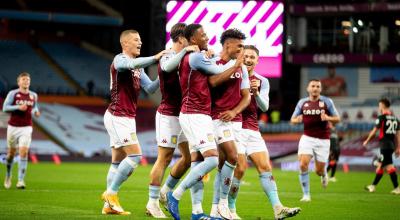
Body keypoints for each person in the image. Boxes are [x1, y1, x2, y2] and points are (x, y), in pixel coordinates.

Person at [166, 23, 243, 220]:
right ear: (193, 39)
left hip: (199, 114)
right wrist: (236, 64)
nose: (207, 37)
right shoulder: (196, 56)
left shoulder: (196, 54)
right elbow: (217, 75)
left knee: (199, 160)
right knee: (211, 158)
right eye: (203, 35)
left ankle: (197, 212)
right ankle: (174, 194)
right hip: (194, 113)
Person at [225, 45, 301, 220]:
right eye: (246, 56)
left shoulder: (262, 81)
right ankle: (230, 209)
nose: (249, 60)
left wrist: (256, 93)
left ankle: (278, 208)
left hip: (253, 130)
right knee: (241, 169)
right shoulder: (231, 76)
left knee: (266, 167)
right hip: (235, 129)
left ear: (258, 61)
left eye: (252, 57)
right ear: (240, 58)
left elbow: (265, 107)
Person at [188, 28, 251, 220]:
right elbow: (213, 82)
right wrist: (235, 65)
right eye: (239, 46)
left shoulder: (242, 68)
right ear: (228, 45)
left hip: (234, 120)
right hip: (215, 117)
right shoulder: (213, 61)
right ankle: (222, 204)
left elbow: (246, 96)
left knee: (224, 162)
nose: (242, 50)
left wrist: (234, 111)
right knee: (232, 157)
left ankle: (217, 208)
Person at [101, 29, 166, 215]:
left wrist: (164, 72)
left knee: (116, 161)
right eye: (136, 40)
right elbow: (125, 66)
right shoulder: (119, 59)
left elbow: (151, 88)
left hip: (127, 117)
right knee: (136, 156)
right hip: (117, 116)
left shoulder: (138, 68)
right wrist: (155, 58)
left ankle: (109, 206)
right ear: (125, 43)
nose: (140, 43)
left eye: (140, 40)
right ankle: (111, 194)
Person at [146, 22, 200, 218]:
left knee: (189, 158)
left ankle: (164, 191)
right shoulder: (167, 55)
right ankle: (152, 203)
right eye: (189, 38)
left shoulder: (188, 56)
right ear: (181, 39)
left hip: (185, 115)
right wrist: (186, 50)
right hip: (168, 114)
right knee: (165, 158)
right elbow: (168, 67)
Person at [291, 79, 340, 202]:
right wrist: (298, 120)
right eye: (313, 86)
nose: (315, 88)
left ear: (320, 89)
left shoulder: (327, 102)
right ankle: (306, 195)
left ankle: (324, 174)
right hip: (307, 137)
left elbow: (337, 119)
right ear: (308, 88)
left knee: (318, 171)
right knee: (302, 164)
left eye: (318, 86)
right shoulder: (302, 102)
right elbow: (292, 120)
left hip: (323, 140)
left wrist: (328, 118)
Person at [3, 72, 40, 190]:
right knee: (10, 155)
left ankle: (20, 180)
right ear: (19, 82)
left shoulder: (33, 95)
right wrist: (18, 107)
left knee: (23, 152)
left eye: (28, 80)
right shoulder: (13, 94)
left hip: (26, 127)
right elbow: (5, 108)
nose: (26, 81)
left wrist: (36, 112)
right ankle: (8, 175)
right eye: (24, 79)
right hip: (13, 127)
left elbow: (34, 107)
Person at [363, 98, 400, 195]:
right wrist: (398, 147)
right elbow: (398, 135)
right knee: (387, 166)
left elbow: (374, 131)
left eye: (379, 105)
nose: (379, 107)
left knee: (380, 164)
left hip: (385, 145)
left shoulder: (381, 118)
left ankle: (395, 188)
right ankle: (374, 186)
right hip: (391, 146)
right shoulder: (396, 119)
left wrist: (367, 140)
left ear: (383, 105)